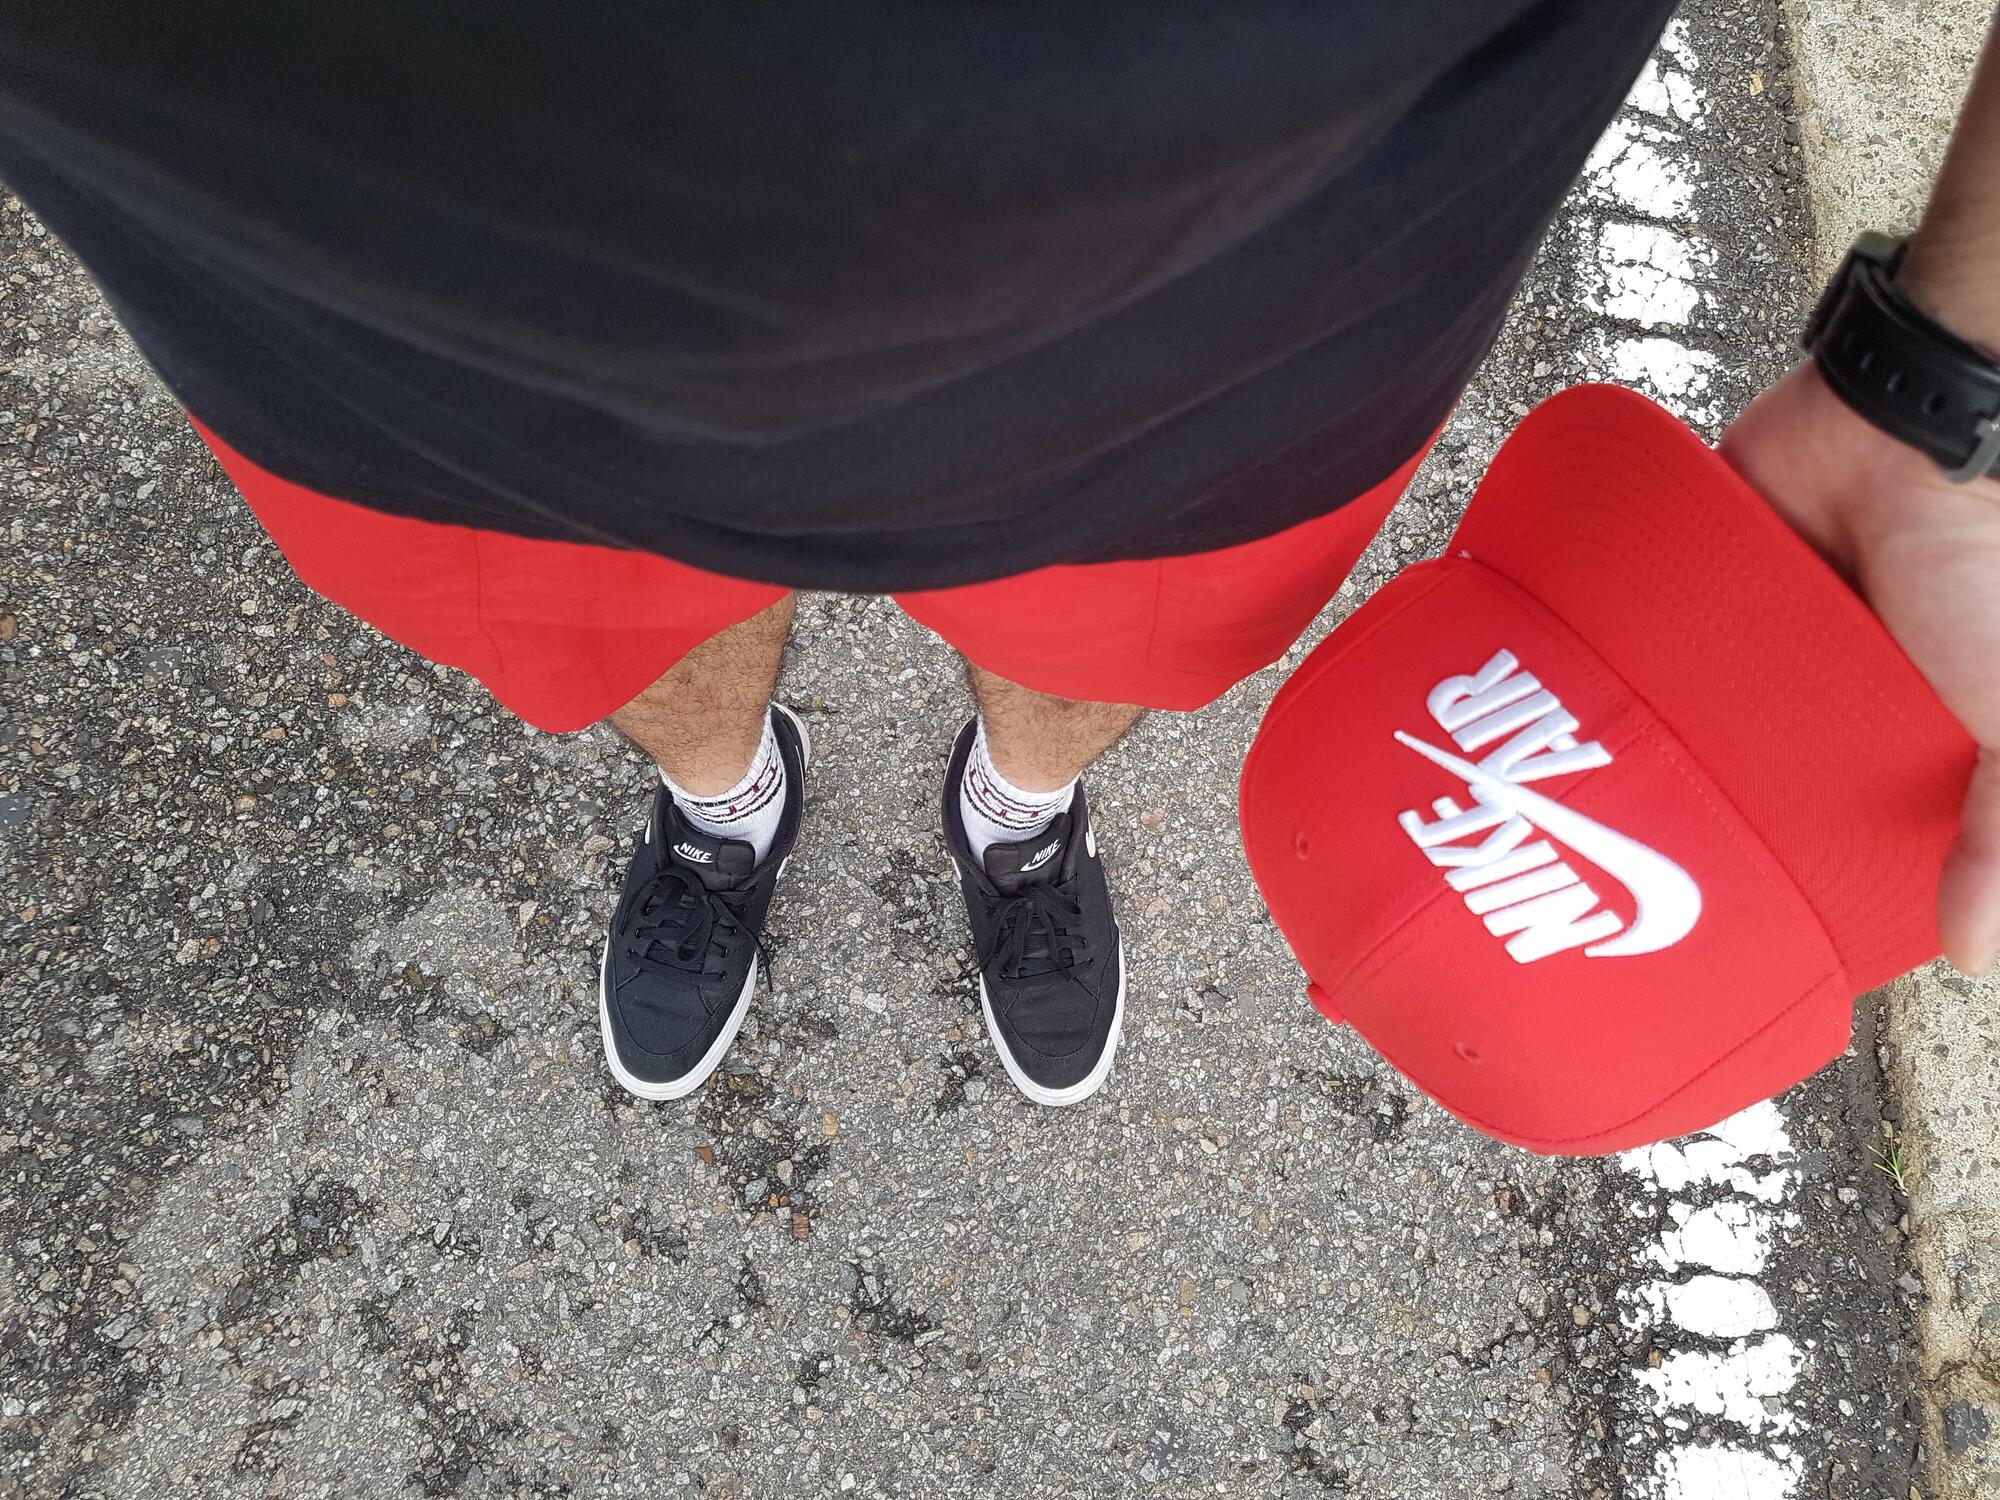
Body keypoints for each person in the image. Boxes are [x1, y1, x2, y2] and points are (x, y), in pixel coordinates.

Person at [2, 3, 1997, 1108]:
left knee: (1094, 663)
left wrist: (1946, 378)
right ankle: (724, 809)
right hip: (368, 336)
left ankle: (1018, 821)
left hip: (1240, 325)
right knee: (618, 645)